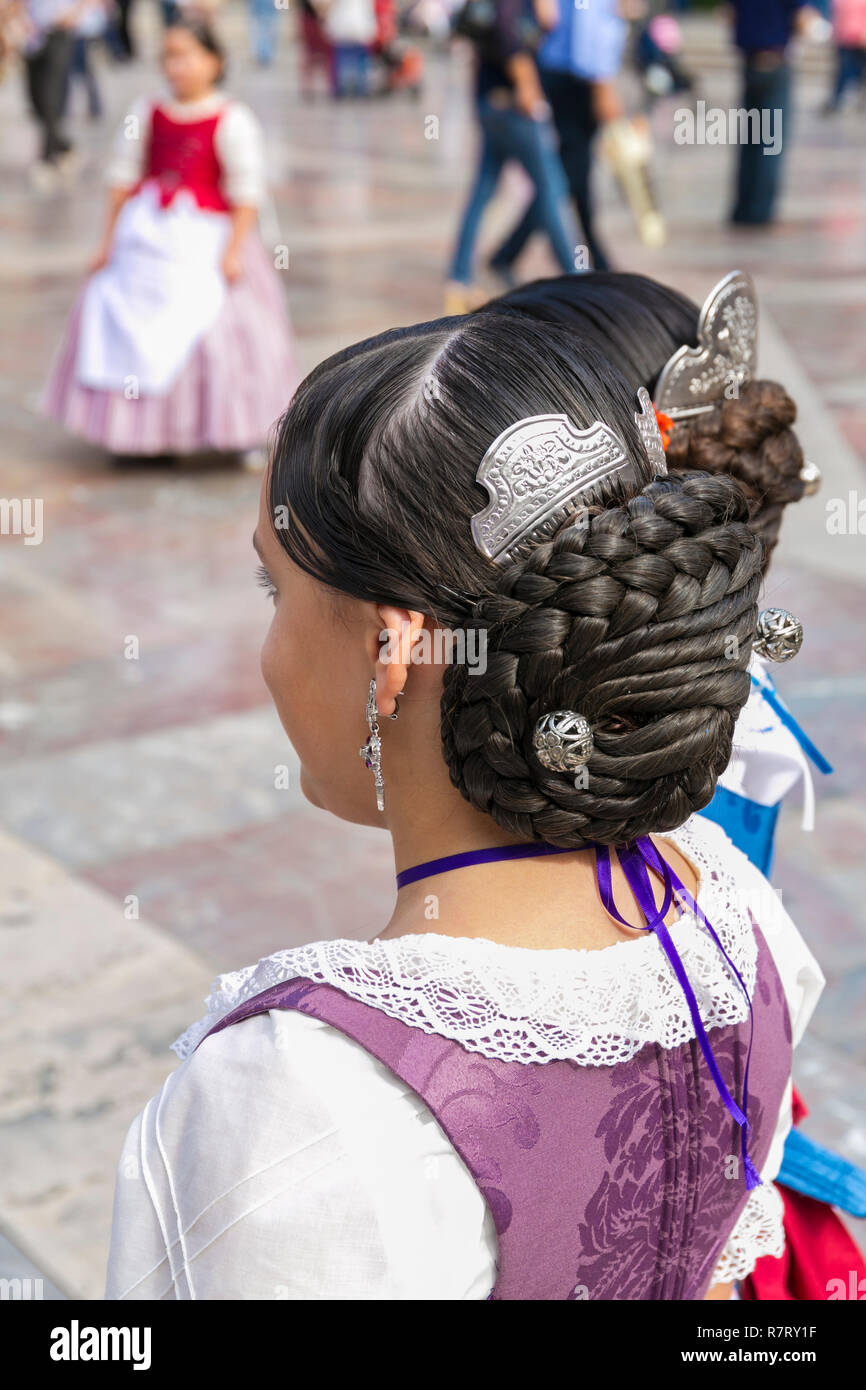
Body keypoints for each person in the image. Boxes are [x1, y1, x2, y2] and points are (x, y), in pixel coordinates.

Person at [105, 310, 824, 1299]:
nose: (264, 655)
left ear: (388, 653)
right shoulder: (738, 922)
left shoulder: (300, 1107)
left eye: (274, 593)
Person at [41, 17, 301, 462]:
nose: (176, 67)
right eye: (169, 57)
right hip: (147, 237)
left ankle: (232, 429)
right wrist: (106, 243)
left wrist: (235, 250)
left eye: (187, 56)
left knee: (218, 330)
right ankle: (143, 437)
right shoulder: (147, 112)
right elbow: (122, 178)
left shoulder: (231, 118)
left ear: (214, 61)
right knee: (122, 323)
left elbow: (245, 192)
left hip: (206, 239)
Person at [445, 0, 577, 312]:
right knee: (551, 186)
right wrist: (527, 84)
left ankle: (458, 279)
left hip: (491, 102)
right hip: (514, 105)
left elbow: (537, 26)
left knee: (484, 190)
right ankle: (576, 279)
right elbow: (509, 37)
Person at [486, 0, 626, 277]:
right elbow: (585, 28)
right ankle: (586, 257)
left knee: (571, 173)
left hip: (565, 72)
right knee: (569, 173)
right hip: (574, 76)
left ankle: (585, 254)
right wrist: (603, 84)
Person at [728, 0, 808, 227]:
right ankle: (760, 210)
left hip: (749, 60)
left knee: (751, 139)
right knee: (770, 143)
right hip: (775, 59)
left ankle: (743, 208)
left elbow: (730, 14)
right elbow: (802, 19)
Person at [823, 0, 866, 111]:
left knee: (857, 71)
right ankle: (837, 99)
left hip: (860, 39)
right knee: (843, 71)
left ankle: (855, 99)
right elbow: (837, 16)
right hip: (845, 39)